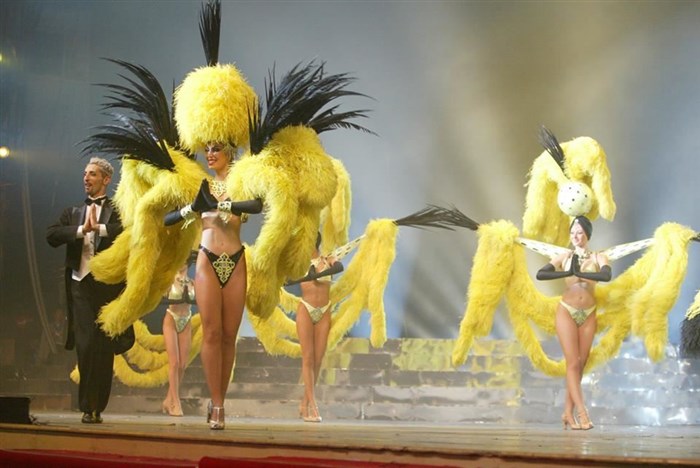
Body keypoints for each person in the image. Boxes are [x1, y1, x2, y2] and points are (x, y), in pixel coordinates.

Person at [173, 142, 261, 429]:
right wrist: (194, 207)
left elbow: (257, 205)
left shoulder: (242, 184)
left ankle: (219, 400)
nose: (210, 154)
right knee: (211, 332)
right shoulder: (201, 185)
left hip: (236, 260)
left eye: (216, 149)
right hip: (207, 260)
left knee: (228, 336)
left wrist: (221, 204)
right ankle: (218, 405)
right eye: (207, 149)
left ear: (230, 152)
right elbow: (169, 218)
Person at [46, 157, 132, 424]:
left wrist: (100, 229)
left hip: (107, 288)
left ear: (106, 179)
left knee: (103, 348)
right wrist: (81, 230)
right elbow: (52, 235)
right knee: (85, 345)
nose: (86, 178)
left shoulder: (117, 210)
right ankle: (86, 406)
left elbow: (129, 231)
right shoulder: (73, 212)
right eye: (85, 173)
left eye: (93, 174)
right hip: (80, 284)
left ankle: (98, 407)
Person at [536, 215, 611, 430]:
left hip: (588, 313)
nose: (575, 237)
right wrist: (568, 271)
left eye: (579, 232)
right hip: (567, 311)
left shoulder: (598, 257)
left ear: (587, 234)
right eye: (572, 233)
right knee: (573, 363)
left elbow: (606, 275)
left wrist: (582, 272)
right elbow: (541, 274)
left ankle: (567, 413)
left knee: (581, 364)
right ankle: (582, 413)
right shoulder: (565, 256)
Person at [287, 234, 343, 423]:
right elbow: (287, 278)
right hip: (306, 309)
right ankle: (313, 405)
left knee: (318, 360)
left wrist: (320, 271)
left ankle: (304, 403)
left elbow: (339, 267)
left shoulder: (327, 259)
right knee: (308, 357)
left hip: (324, 311)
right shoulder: (300, 263)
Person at [161, 257, 196, 416]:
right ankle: (175, 402)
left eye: (185, 260)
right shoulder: (169, 280)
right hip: (171, 319)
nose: (182, 263)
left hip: (186, 320)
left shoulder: (193, 282)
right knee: (174, 363)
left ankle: (168, 399)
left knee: (182, 365)